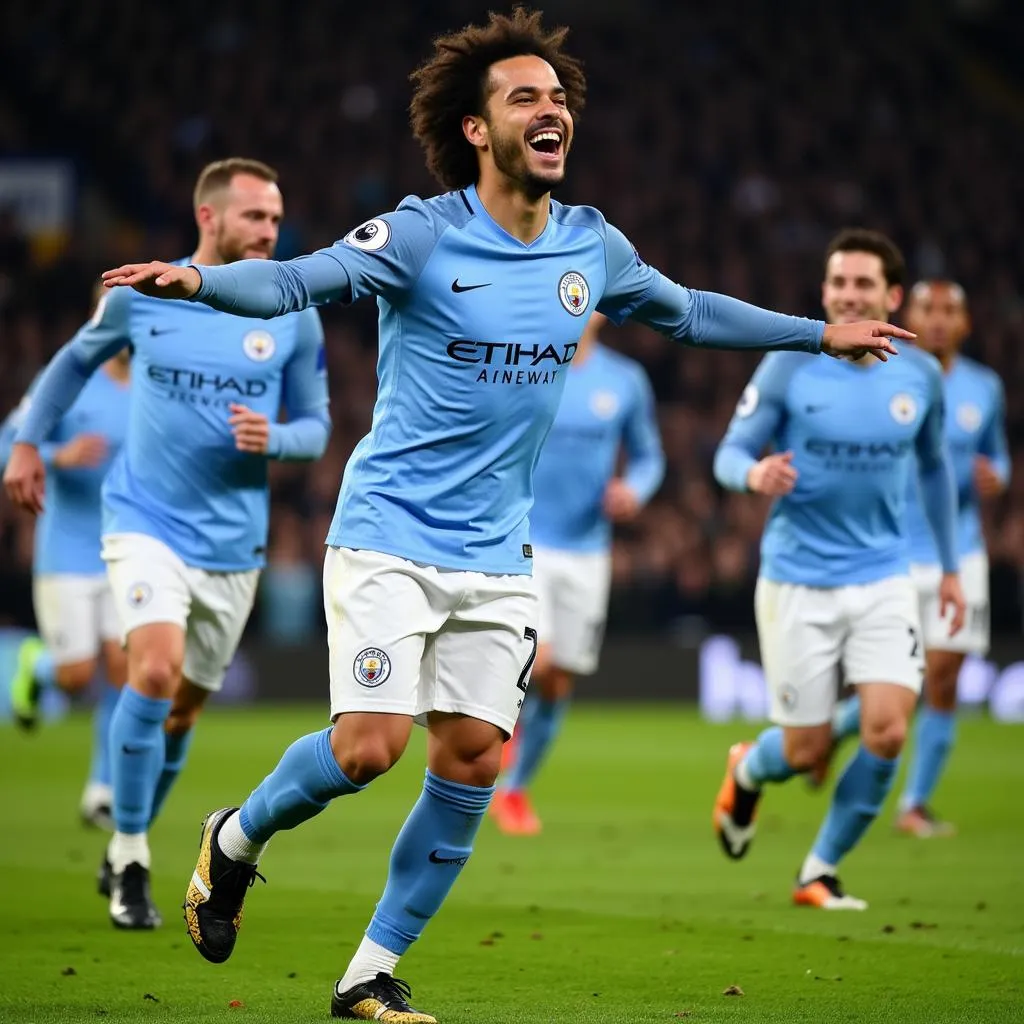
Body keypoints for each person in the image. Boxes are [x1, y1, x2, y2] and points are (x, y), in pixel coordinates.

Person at [69, 12, 908, 1020]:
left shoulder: (590, 246)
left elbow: (687, 311)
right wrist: (202, 279)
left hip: (497, 554)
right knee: (369, 748)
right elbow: (300, 278)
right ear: (477, 129)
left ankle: (368, 973)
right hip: (387, 533)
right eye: (525, 97)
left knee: (472, 758)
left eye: (559, 99)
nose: (551, 110)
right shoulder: (422, 232)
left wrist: (820, 334)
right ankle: (233, 838)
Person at [2, 157, 330, 930]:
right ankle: (130, 852)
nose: (270, 232)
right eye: (255, 217)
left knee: (181, 713)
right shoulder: (143, 296)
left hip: (234, 545)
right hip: (143, 523)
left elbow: (316, 429)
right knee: (148, 668)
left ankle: (131, 836)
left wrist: (274, 438)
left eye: (277, 220)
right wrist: (26, 445)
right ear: (209, 218)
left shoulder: (291, 311)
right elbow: (71, 364)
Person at [711, 228, 966, 911]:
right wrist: (754, 471)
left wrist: (948, 568)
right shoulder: (790, 363)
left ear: (892, 296)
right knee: (803, 753)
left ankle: (818, 872)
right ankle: (748, 768)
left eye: (863, 285)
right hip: (797, 578)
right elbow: (727, 453)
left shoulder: (921, 376)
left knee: (887, 727)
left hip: (884, 576)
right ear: (825, 293)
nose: (849, 294)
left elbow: (937, 469)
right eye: (839, 284)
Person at [827, 281, 1010, 837]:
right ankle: (835, 728)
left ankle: (914, 804)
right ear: (910, 313)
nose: (936, 321)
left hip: (961, 550)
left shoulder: (985, 387)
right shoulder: (881, 370)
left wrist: (995, 477)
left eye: (949, 311)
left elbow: (997, 456)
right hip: (896, 552)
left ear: (965, 324)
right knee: (909, 678)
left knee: (944, 679)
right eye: (928, 309)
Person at [490, 310, 664, 835]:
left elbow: (649, 456)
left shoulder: (625, 379)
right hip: (524, 538)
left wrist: (634, 489)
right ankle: (499, 740)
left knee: (560, 678)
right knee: (536, 660)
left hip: (589, 549)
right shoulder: (524, 365)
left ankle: (515, 789)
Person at [0, 308, 130, 829]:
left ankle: (101, 787)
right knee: (79, 677)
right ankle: (39, 667)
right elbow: (9, 445)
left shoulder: (156, 380)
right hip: (69, 550)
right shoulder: (69, 377)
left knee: (124, 668)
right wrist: (59, 455)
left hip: (128, 546)